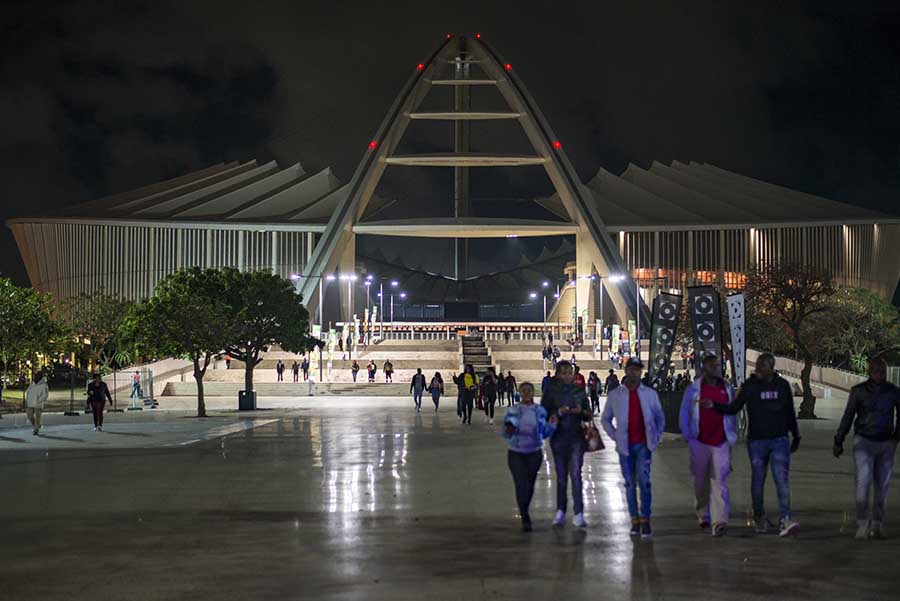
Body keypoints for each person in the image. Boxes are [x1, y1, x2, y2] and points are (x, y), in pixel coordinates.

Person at [706, 353, 801, 536]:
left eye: (763, 366)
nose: (758, 369)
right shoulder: (750, 386)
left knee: (782, 480)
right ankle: (759, 517)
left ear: (771, 368)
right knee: (758, 480)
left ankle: (785, 519)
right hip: (757, 441)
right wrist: (715, 406)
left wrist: (796, 435)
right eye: (757, 365)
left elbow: (789, 411)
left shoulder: (782, 385)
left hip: (779, 440)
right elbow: (734, 407)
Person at [833, 357, 900, 540]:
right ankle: (863, 523)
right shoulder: (859, 391)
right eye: (876, 371)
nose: (880, 374)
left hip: (885, 443)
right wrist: (839, 439)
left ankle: (877, 523)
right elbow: (848, 415)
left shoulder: (893, 392)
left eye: (882, 371)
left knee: (882, 486)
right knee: (863, 482)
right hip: (864, 441)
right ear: (870, 372)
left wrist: (895, 438)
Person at [601, 357, 665, 538]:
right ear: (626, 370)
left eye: (637, 370)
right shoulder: (616, 395)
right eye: (631, 369)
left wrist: (656, 436)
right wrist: (615, 436)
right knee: (630, 483)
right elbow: (605, 419)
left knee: (644, 482)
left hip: (644, 445)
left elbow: (659, 417)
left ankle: (645, 518)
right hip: (625, 447)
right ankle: (634, 519)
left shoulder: (649, 394)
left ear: (640, 372)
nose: (634, 373)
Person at [679, 353, 737, 536]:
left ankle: (719, 521)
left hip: (721, 442)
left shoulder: (727, 388)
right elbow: (684, 413)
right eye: (713, 366)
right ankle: (703, 513)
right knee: (701, 481)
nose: (717, 368)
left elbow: (733, 411)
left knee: (719, 481)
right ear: (704, 369)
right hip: (700, 441)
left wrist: (732, 435)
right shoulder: (694, 389)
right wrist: (689, 436)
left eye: (718, 365)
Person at [541, 361, 592, 528]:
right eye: (563, 373)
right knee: (562, 476)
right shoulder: (550, 392)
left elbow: (588, 414)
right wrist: (558, 412)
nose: (567, 376)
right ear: (557, 374)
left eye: (570, 372)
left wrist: (581, 411)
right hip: (558, 437)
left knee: (576, 474)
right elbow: (543, 413)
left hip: (577, 437)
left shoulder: (579, 391)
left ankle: (579, 512)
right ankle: (561, 511)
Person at [503, 382, 557, 532]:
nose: (526, 393)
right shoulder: (513, 410)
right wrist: (509, 429)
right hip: (516, 453)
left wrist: (552, 425)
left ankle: (524, 508)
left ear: (533, 393)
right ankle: (525, 515)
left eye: (529, 390)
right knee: (520, 484)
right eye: (523, 391)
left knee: (530, 484)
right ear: (520, 393)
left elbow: (544, 433)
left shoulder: (540, 411)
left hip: (534, 453)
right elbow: (505, 433)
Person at [25, 370, 49, 436]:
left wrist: (38, 401)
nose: (36, 376)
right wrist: (27, 400)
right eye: (35, 375)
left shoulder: (44, 385)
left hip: (38, 404)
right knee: (29, 416)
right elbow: (28, 392)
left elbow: (45, 395)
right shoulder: (32, 384)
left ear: (40, 377)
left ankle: (36, 430)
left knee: (38, 417)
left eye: (37, 375)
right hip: (30, 402)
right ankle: (37, 425)